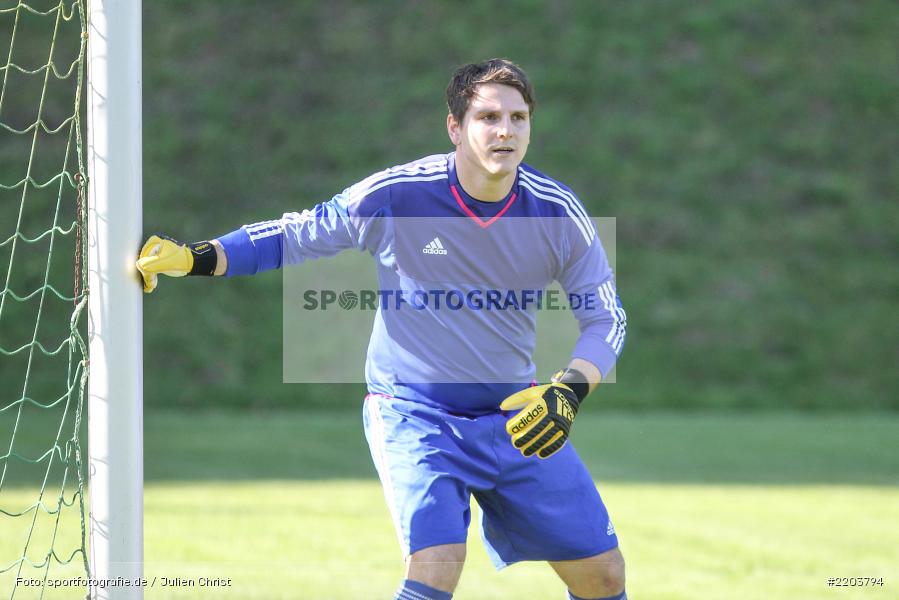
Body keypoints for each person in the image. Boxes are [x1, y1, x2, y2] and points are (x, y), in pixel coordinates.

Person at [137, 58, 627, 600]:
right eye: (488, 117)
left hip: (517, 418)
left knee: (603, 576)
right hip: (416, 415)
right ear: (455, 127)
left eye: (518, 118)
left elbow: (605, 317)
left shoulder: (556, 212)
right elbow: (296, 234)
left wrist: (569, 391)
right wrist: (197, 257)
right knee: (437, 564)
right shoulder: (398, 195)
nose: (505, 131)